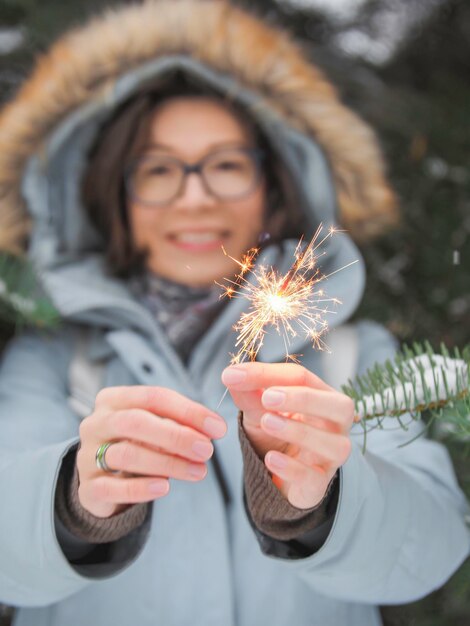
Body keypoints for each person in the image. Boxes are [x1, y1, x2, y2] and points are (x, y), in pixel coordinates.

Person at [0, 1, 468, 625]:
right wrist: (74, 501)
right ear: (114, 196)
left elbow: (430, 548)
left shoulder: (354, 354)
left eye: (225, 165)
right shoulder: (55, 359)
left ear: (275, 187)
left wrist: (320, 504)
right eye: (159, 170)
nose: (194, 197)